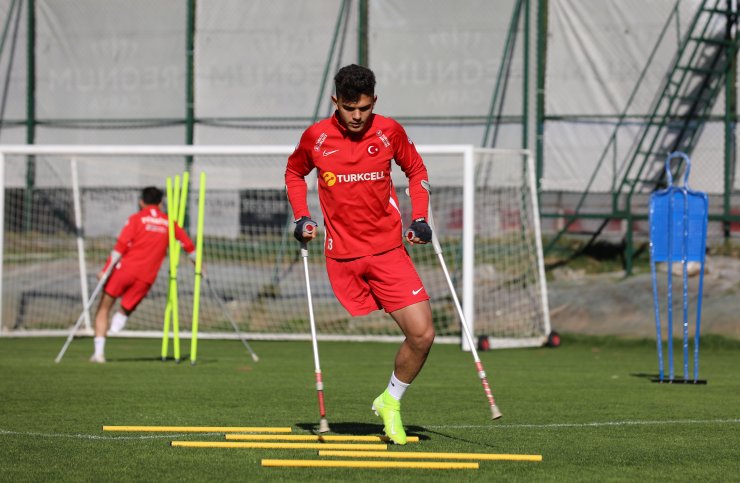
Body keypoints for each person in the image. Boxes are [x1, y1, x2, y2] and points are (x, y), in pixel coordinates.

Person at [284, 64, 435, 444]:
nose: (356, 116)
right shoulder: (316, 138)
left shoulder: (389, 131)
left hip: (388, 251)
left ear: (374, 103)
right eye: (349, 108)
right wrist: (301, 216)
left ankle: (391, 400)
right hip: (343, 257)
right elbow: (293, 172)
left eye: (364, 109)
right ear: (336, 101)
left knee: (423, 335)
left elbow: (416, 171)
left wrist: (420, 218)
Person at [89, 186, 196, 363]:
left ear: (141, 202)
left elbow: (120, 248)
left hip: (125, 270)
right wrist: (199, 265)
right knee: (127, 306)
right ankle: (122, 315)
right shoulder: (169, 222)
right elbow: (188, 246)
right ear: (161, 203)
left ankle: (99, 353)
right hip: (147, 276)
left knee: (103, 308)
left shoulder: (136, 219)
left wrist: (104, 270)